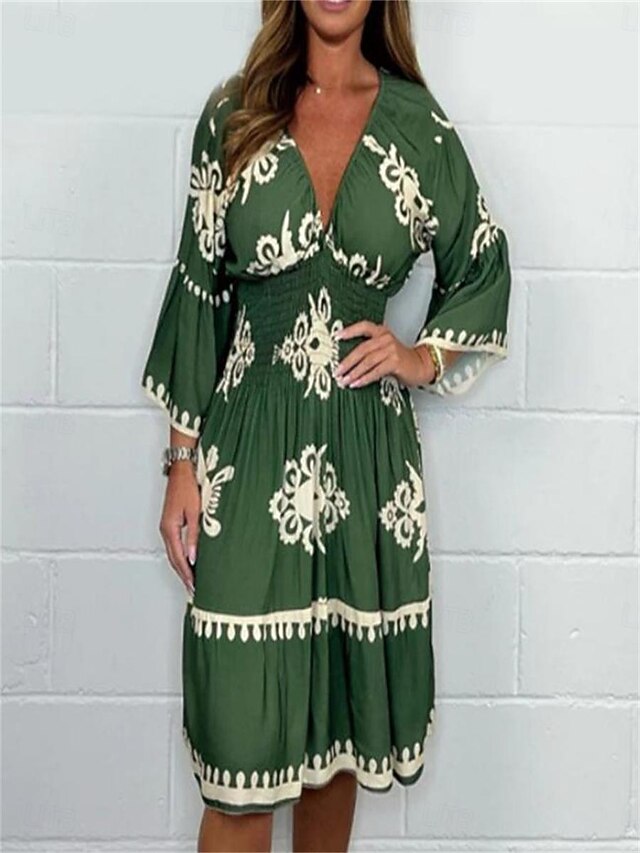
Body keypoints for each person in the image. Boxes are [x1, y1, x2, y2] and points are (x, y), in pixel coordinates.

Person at [140, 1, 512, 850]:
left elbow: (483, 263)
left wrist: (420, 356)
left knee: (333, 751)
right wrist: (180, 459)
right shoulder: (236, 113)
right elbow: (199, 288)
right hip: (248, 457)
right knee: (238, 769)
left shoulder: (417, 125)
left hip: (366, 462)